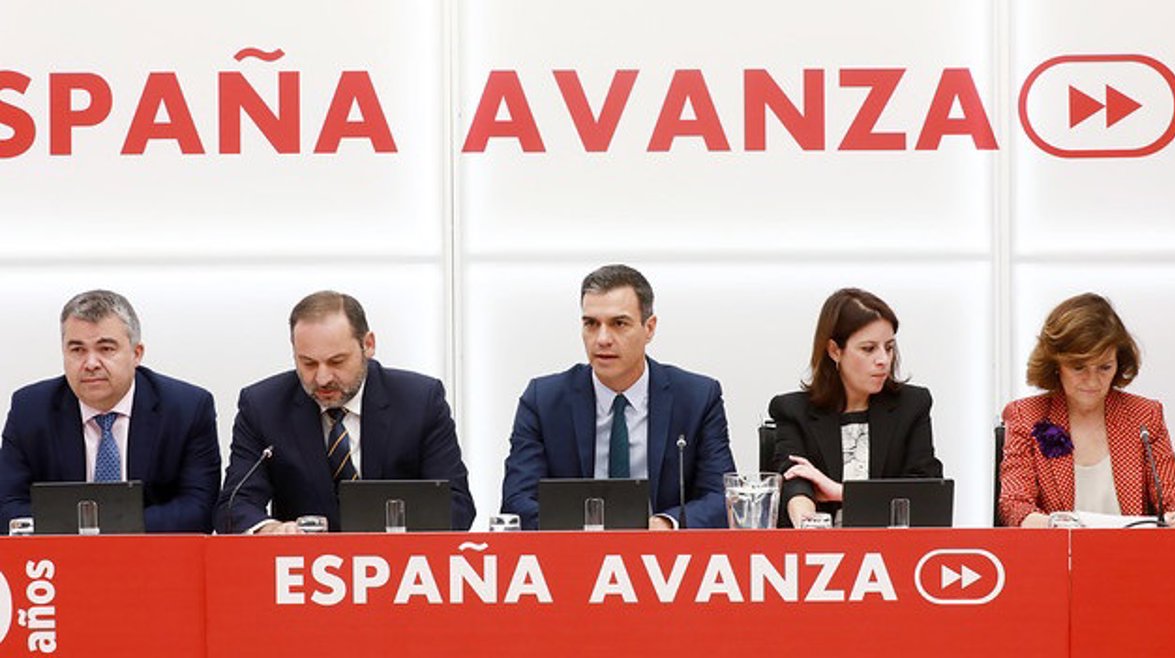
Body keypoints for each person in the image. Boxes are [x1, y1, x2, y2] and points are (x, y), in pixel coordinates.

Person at [213, 291, 474, 533]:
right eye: (308, 363)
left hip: (400, 560)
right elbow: (234, 505)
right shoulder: (263, 407)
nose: (322, 378)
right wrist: (271, 530)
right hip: (301, 563)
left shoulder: (419, 401)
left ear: (368, 345)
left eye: (336, 361)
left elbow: (457, 505)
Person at [501, 264, 736, 529]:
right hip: (573, 550)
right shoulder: (543, 401)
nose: (602, 339)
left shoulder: (697, 398)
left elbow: (722, 498)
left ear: (649, 328)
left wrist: (666, 524)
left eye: (619, 324)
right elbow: (517, 501)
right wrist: (587, 528)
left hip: (663, 550)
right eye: (591, 324)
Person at [0, 290, 221, 533]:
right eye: (77, 350)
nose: (91, 364)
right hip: (59, 555)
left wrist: (103, 529)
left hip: (153, 553)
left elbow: (198, 510)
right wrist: (89, 532)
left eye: (105, 349)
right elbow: (8, 506)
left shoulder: (186, 409)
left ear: (136, 354)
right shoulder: (30, 410)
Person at [999, 293, 1175, 527]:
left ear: (1119, 363)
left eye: (1104, 367)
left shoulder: (1144, 415)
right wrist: (1059, 526)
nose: (1092, 380)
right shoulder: (1026, 416)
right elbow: (1014, 506)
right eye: (1079, 368)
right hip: (1059, 548)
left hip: (1134, 549)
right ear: (1056, 364)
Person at [769, 288, 942, 527]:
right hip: (823, 546)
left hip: (892, 546)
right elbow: (794, 481)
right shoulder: (792, 410)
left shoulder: (912, 406)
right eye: (868, 349)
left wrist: (839, 492)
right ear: (834, 351)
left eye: (889, 347)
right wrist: (807, 521)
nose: (883, 360)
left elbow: (926, 495)